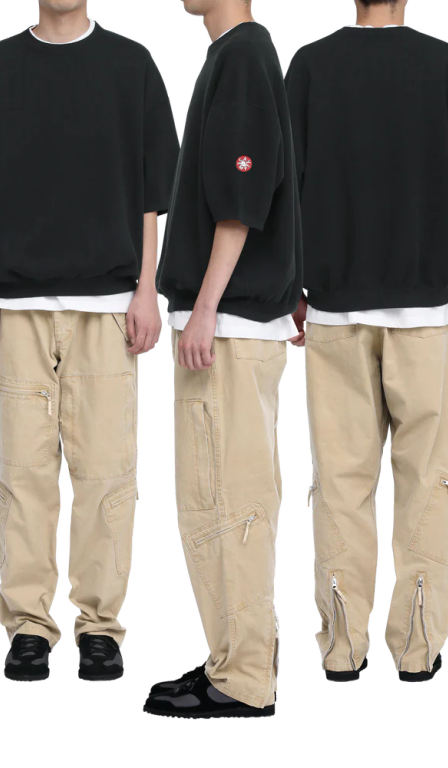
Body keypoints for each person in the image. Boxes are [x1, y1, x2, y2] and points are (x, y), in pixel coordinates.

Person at [0, 2, 179, 682]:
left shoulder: (132, 63)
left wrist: (148, 287)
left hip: (107, 304)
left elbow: (153, 192)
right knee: (22, 474)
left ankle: (101, 626)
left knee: (106, 474)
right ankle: (28, 626)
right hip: (16, 304)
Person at [286, 0, 448, 681]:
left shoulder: (310, 65)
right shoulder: (440, 63)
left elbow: (285, 191)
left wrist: (290, 287)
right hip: (425, 310)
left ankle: (342, 650)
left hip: (334, 306)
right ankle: (417, 651)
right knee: (426, 485)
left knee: (340, 484)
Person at [146, 0, 302, 716]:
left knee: (233, 502)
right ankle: (227, 663)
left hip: (230, 323)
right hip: (225, 320)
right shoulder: (233, 55)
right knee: (211, 499)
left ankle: (243, 682)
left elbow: (242, 199)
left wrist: (206, 304)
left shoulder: (241, 57)